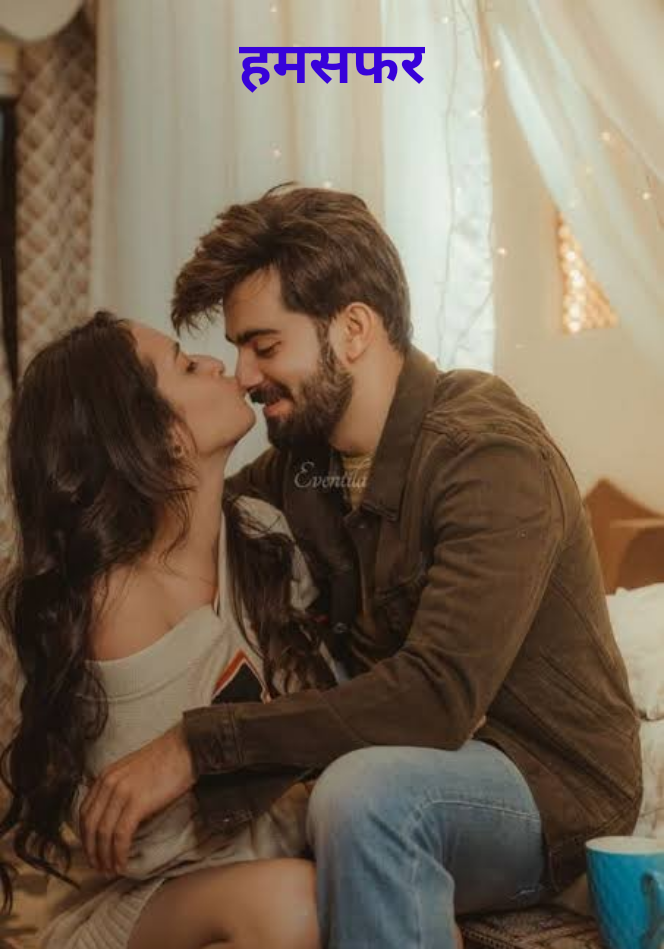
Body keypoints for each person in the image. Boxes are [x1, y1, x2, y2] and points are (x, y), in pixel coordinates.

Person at [79, 186, 643, 949]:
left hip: (547, 787)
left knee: (366, 794)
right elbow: (191, 524)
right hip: (409, 763)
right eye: (238, 348)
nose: (243, 373)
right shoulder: (304, 468)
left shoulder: (484, 453)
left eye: (264, 345)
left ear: (351, 330)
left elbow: (435, 698)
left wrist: (195, 744)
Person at [0, 311, 333, 949]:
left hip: (260, 875)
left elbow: (317, 716)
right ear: (156, 437)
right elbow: (152, 846)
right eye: (186, 365)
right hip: (148, 905)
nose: (218, 364)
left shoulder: (262, 533)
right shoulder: (116, 601)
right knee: (297, 904)